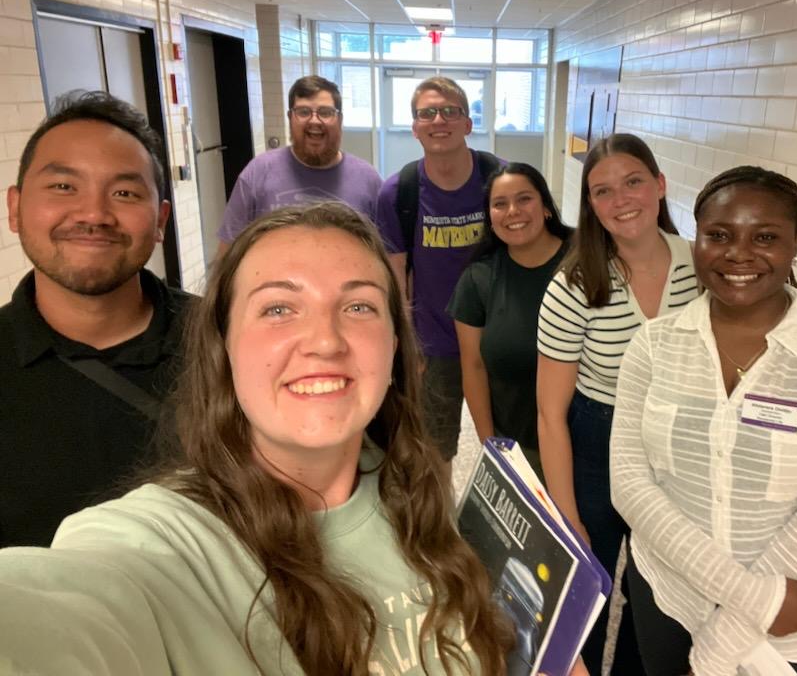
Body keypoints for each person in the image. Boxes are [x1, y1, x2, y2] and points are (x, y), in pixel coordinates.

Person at [0, 203, 512, 674]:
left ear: (395, 346)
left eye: (359, 307)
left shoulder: (415, 491)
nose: (326, 341)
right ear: (223, 345)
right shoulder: (166, 545)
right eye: (278, 309)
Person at [610, 166, 797, 676]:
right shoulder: (652, 346)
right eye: (719, 235)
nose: (739, 254)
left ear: (795, 243)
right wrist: (753, 599)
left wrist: (717, 652)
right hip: (670, 595)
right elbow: (630, 485)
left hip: (784, 622)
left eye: (765, 237)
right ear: (696, 242)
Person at [536, 133, 700, 675]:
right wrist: (566, 513)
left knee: (658, 591)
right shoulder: (575, 283)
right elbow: (550, 412)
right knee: (592, 584)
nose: (621, 199)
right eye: (602, 191)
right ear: (590, 206)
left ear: (659, 184)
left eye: (633, 181)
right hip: (597, 439)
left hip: (676, 444)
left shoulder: (702, 268)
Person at [0, 90, 192, 548]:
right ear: (15, 207)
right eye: (64, 186)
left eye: (124, 192)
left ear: (160, 219)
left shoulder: (226, 339)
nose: (93, 214)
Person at [376, 76, 501, 465]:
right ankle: (440, 526)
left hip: (498, 340)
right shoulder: (399, 192)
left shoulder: (499, 180)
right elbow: (395, 278)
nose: (438, 120)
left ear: (468, 123)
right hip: (433, 346)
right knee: (433, 456)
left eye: (450, 111)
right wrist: (405, 343)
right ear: (415, 128)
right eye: (427, 113)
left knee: (507, 447)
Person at [448, 163, 572, 475]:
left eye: (524, 199)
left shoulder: (585, 259)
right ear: (489, 217)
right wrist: (491, 445)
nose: (513, 211)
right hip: (520, 449)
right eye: (500, 204)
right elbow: (473, 367)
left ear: (545, 207)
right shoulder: (478, 279)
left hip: (589, 448)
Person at [216, 75, 380, 253]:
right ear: (290, 117)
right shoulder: (257, 173)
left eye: (325, 112)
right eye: (303, 112)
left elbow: (386, 256)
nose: (314, 121)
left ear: (339, 120)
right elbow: (228, 253)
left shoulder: (369, 181)